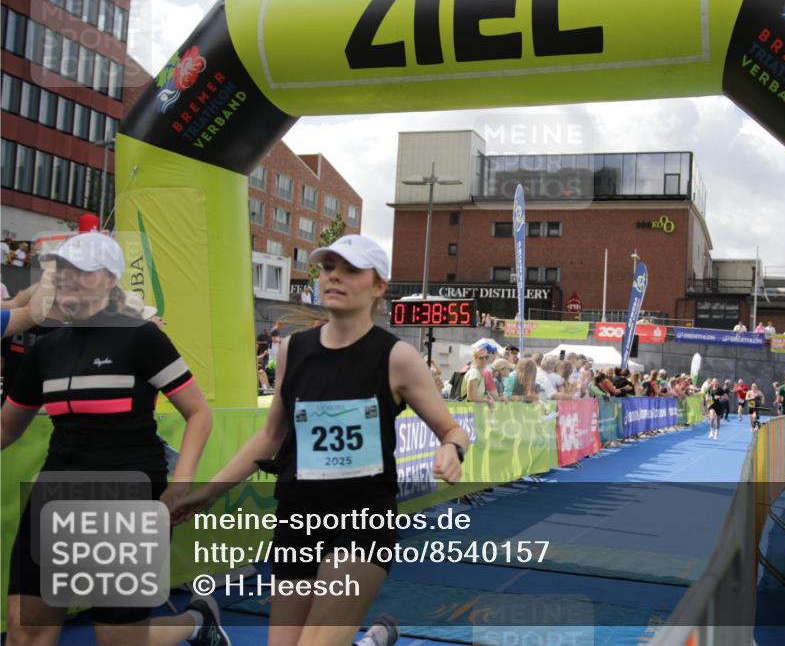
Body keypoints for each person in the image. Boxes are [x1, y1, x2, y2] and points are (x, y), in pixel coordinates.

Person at [171, 234, 468, 646]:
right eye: (328, 268)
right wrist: (206, 494)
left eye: (350, 270)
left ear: (378, 285)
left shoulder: (396, 357)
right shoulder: (294, 349)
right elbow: (271, 435)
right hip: (299, 517)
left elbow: (453, 430)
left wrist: (452, 449)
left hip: (362, 520)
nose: (334, 277)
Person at [1, 232, 225, 646]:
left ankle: (197, 622)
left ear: (109, 279)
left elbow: (198, 413)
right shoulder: (45, 350)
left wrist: (181, 486)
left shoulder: (141, 336)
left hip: (127, 493)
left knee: (119, 638)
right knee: (25, 632)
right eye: (61, 269)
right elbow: (7, 427)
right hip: (56, 493)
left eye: (80, 271)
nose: (66, 278)